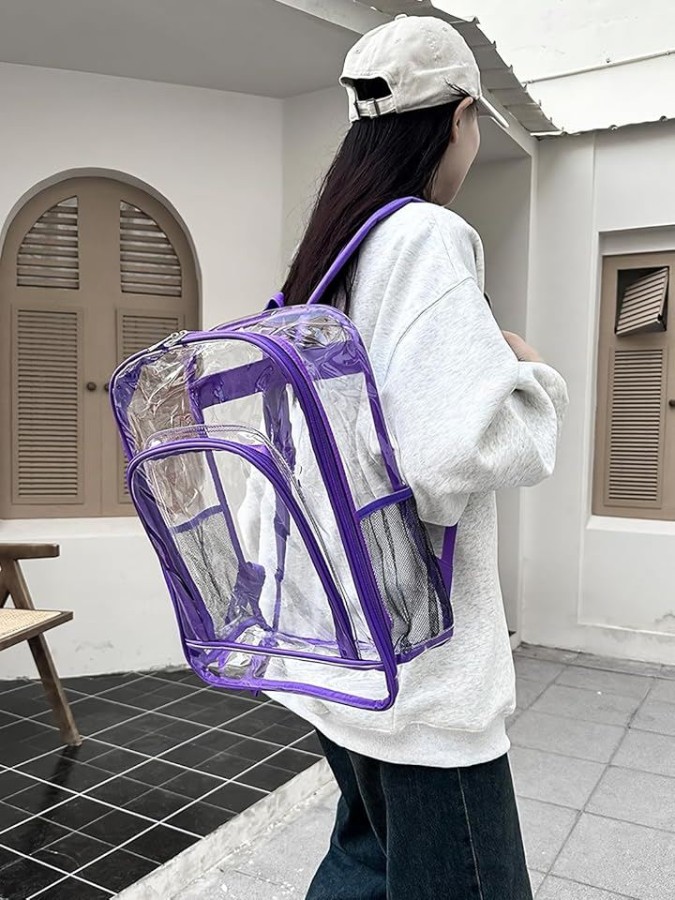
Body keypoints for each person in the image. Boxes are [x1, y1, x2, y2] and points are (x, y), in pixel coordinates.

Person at [278, 15, 568, 900]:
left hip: (343, 645)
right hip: (423, 669)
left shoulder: (333, 250)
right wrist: (530, 378)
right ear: (460, 117)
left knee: (366, 865)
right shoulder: (426, 237)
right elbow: (451, 454)